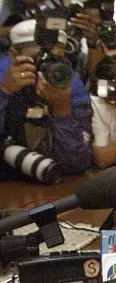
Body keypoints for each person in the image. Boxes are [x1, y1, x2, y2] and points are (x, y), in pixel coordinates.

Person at [0, 19, 91, 176]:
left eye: (55, 60)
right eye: (41, 59)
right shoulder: (4, 77)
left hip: (53, 180)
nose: (49, 68)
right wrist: (5, 92)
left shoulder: (71, 84)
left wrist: (63, 112)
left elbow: (77, 163)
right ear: (14, 55)